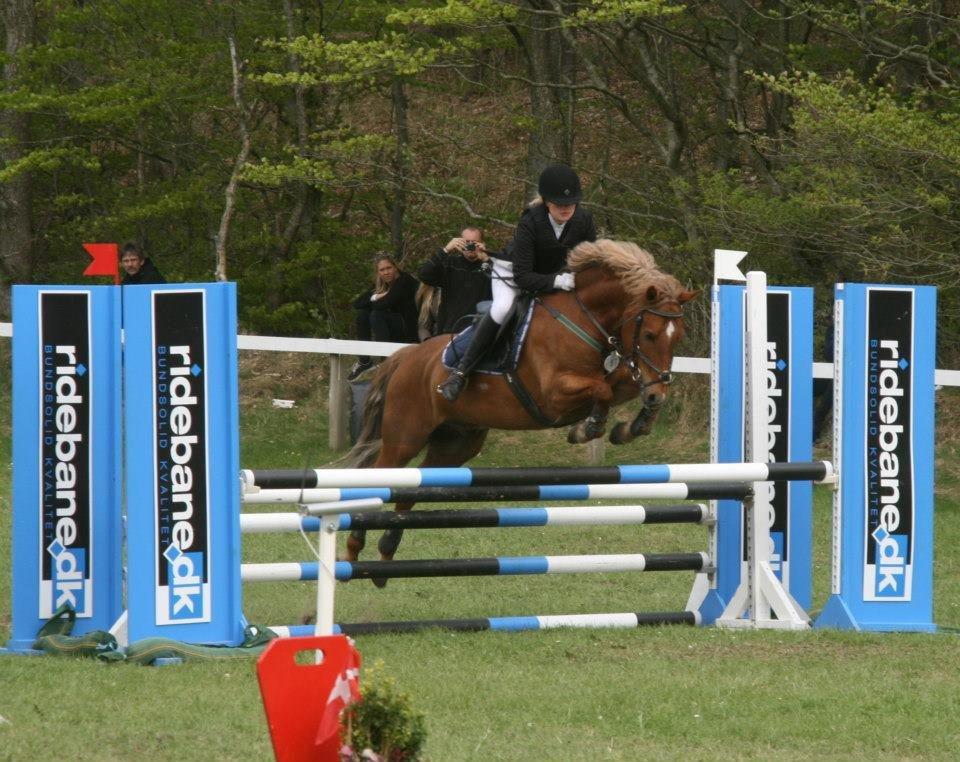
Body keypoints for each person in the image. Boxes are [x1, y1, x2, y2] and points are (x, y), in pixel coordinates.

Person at [437, 164, 598, 402]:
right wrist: (558, 280)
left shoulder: (584, 220)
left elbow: (591, 259)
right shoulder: (530, 222)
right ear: (546, 201)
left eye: (571, 203)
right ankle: (460, 373)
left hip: (556, 277)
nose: (566, 208)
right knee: (502, 310)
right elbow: (524, 277)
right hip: (513, 274)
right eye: (560, 204)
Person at [348, 253, 419, 380]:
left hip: (408, 329)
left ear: (395, 267)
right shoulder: (382, 284)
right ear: (378, 272)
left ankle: (385, 361)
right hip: (392, 327)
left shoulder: (404, 281)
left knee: (376, 314)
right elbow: (357, 303)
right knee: (362, 314)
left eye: (389, 268)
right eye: (382, 270)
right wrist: (375, 296)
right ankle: (364, 362)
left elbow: (385, 303)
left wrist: (377, 300)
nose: (386, 272)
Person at [417, 226, 493, 335]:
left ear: (482, 243)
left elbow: (503, 283)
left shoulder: (488, 266)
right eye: (467, 242)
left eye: (474, 242)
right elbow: (424, 275)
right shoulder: (450, 264)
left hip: (479, 331)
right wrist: (446, 250)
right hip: (449, 330)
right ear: (459, 242)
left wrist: (487, 259)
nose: (470, 246)